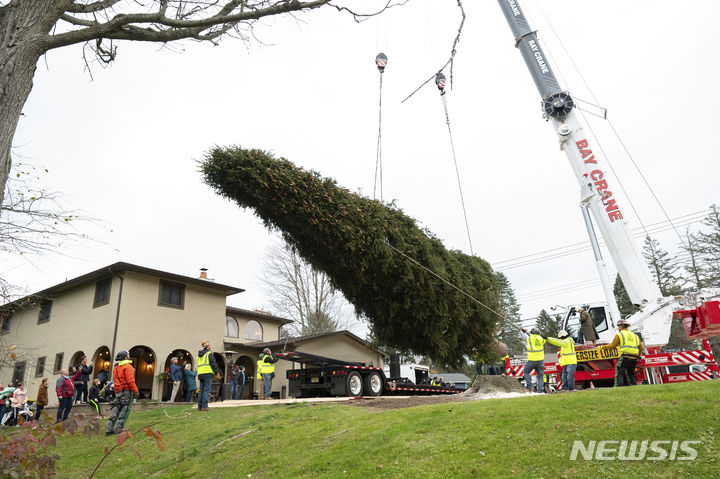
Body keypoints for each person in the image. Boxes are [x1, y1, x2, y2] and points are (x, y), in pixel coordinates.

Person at [599, 319, 644, 387]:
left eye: (618, 326)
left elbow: (613, 345)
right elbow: (641, 348)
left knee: (619, 373)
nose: (618, 328)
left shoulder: (620, 334)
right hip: (634, 358)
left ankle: (618, 387)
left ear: (620, 326)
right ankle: (633, 387)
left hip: (625, 357)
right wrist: (637, 355)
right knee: (631, 374)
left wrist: (602, 347)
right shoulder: (635, 335)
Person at [106, 350, 139, 435]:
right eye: (128, 355)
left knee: (116, 408)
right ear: (125, 357)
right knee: (125, 409)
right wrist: (136, 391)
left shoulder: (116, 367)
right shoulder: (128, 367)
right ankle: (119, 429)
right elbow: (130, 381)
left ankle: (109, 428)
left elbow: (115, 379)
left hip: (118, 390)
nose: (129, 356)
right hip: (126, 391)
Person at [520, 327, 546, 393]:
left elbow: (523, 337)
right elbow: (535, 337)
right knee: (540, 376)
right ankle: (540, 391)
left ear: (532, 333)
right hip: (540, 361)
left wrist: (521, 331)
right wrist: (527, 332)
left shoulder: (529, 339)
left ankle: (531, 386)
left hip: (532, 360)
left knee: (525, 372)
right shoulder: (541, 339)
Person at [196, 339, 220, 411]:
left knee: (201, 391)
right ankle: (205, 406)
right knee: (206, 390)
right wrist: (217, 373)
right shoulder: (209, 353)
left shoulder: (199, 355)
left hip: (200, 374)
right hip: (207, 373)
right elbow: (213, 364)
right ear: (208, 346)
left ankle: (199, 407)